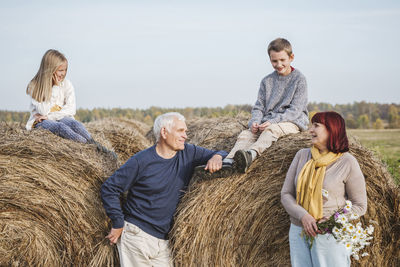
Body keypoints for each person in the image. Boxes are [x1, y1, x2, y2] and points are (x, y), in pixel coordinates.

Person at [101, 112, 228, 267]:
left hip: (163, 241)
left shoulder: (188, 153)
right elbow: (110, 188)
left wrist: (217, 157)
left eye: (186, 131)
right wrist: (118, 222)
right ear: (164, 132)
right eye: (180, 131)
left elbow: (221, 153)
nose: (185, 136)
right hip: (137, 235)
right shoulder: (141, 161)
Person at [196, 38, 309, 176]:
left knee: (271, 130)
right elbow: (259, 107)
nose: (279, 64)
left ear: (291, 57)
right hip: (267, 121)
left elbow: (295, 110)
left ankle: (251, 155)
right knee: (245, 134)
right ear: (270, 60)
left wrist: (273, 121)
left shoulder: (299, 79)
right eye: (274, 61)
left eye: (282, 60)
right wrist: (255, 122)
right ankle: (229, 162)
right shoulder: (267, 81)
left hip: (292, 121)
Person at [281, 111, 367, 267]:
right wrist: (303, 216)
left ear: (331, 129)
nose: (310, 130)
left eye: (316, 125)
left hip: (329, 233)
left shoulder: (347, 162)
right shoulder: (302, 156)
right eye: (311, 125)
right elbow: (286, 194)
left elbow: (359, 205)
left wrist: (332, 221)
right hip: (298, 230)